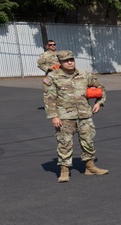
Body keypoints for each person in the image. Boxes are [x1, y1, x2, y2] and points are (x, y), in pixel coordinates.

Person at [44, 50, 109, 183]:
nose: (69, 62)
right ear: (60, 63)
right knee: (65, 143)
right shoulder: (52, 77)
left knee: (88, 141)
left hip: (85, 114)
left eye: (71, 60)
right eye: (66, 61)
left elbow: (100, 88)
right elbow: (49, 99)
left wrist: (99, 102)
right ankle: (64, 170)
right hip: (64, 116)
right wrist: (54, 116)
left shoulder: (84, 75)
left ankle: (90, 167)